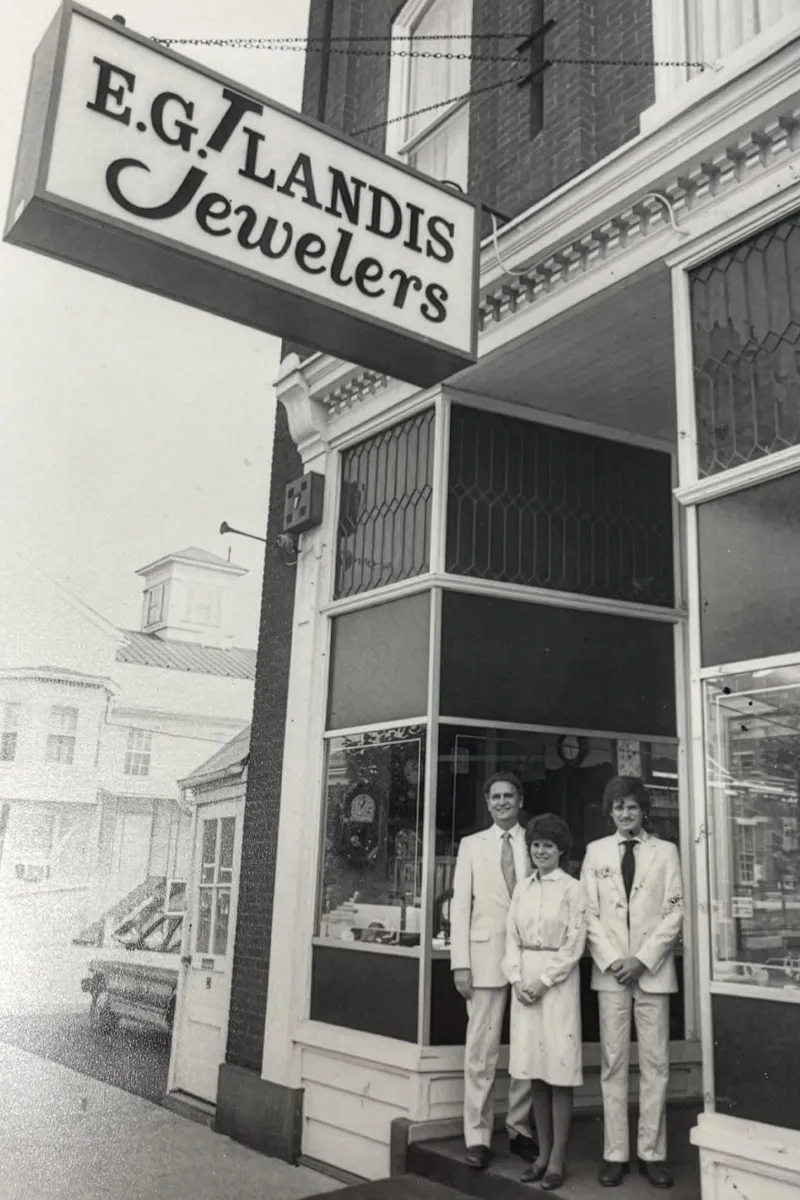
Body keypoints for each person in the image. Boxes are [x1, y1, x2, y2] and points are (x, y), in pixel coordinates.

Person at [581, 776, 684, 1190]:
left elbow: (675, 911)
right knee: (614, 1063)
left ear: (645, 811)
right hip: (612, 976)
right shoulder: (596, 852)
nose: (625, 813)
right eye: (618, 806)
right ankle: (615, 1154)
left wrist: (642, 960)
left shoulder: (666, 852)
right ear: (610, 811)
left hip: (652, 972)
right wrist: (613, 961)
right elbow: (587, 914)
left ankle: (652, 1153)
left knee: (656, 1064)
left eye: (632, 806)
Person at [450, 772, 537, 1169]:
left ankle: (520, 1129)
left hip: (528, 961)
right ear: (488, 803)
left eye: (509, 796)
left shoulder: (534, 840)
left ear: (520, 800)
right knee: (481, 1053)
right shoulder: (472, 845)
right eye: (496, 797)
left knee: (523, 1049)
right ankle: (478, 1136)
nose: (502, 802)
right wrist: (460, 964)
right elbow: (461, 908)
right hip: (483, 961)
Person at [503, 813, 586, 1192]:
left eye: (548, 846)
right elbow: (510, 938)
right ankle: (541, 1154)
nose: (541, 851)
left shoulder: (572, 888)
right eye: (536, 845)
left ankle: (557, 1159)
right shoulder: (522, 888)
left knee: (559, 1070)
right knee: (535, 1069)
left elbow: (574, 943)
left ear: (561, 850)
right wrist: (518, 979)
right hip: (525, 983)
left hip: (557, 984)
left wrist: (544, 980)